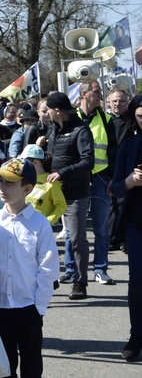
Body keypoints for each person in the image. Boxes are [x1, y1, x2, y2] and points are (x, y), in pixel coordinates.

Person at [0, 157, 60, 378]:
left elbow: (48, 268)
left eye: (9, 183)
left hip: (27, 307)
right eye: (0, 182)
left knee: (32, 364)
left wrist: (39, 307)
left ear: (27, 189)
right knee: (2, 367)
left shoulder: (39, 224)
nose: (2, 188)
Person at [43, 91, 94, 300]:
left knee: (76, 239)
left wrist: (63, 173)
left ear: (57, 110)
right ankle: (49, 278)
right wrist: (39, 151)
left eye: (48, 110)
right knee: (43, 237)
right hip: (52, 192)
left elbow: (88, 161)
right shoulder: (53, 129)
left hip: (75, 193)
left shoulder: (81, 130)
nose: (45, 114)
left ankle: (80, 283)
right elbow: (52, 159)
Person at [73, 80, 118, 285]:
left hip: (101, 178)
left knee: (101, 228)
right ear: (84, 94)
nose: (101, 95)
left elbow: (114, 152)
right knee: (73, 229)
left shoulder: (107, 119)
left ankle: (100, 269)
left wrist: (112, 179)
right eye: (97, 91)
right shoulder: (72, 118)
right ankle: (72, 269)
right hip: (77, 179)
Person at [110, 93, 142, 361]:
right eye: (141, 117)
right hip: (136, 223)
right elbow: (115, 187)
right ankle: (137, 335)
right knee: (138, 283)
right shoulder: (129, 144)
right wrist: (130, 181)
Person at [107, 88, 131, 251]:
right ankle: (112, 238)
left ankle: (123, 238)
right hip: (108, 168)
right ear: (109, 102)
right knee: (113, 204)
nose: (118, 104)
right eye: (114, 101)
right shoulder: (104, 121)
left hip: (129, 168)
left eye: (121, 101)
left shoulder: (133, 120)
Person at [21, 144, 67, 225]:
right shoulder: (23, 179)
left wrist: (47, 222)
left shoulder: (51, 182)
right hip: (22, 224)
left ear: (35, 162)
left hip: (40, 229)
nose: (22, 165)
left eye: (25, 162)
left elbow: (61, 205)